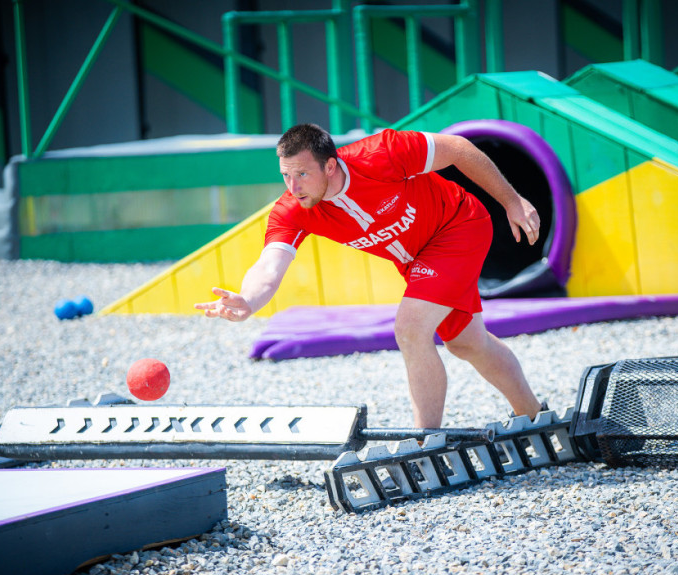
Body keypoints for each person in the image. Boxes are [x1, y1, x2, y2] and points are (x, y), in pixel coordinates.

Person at [195, 124, 543, 428]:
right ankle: (535, 417)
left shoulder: (382, 153)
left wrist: (512, 202)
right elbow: (269, 266)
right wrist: (249, 300)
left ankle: (426, 443)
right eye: (286, 175)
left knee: (410, 329)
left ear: (330, 165)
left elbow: (458, 148)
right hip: (416, 260)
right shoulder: (293, 210)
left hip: (458, 226)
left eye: (302, 174)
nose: (293, 186)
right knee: (468, 343)